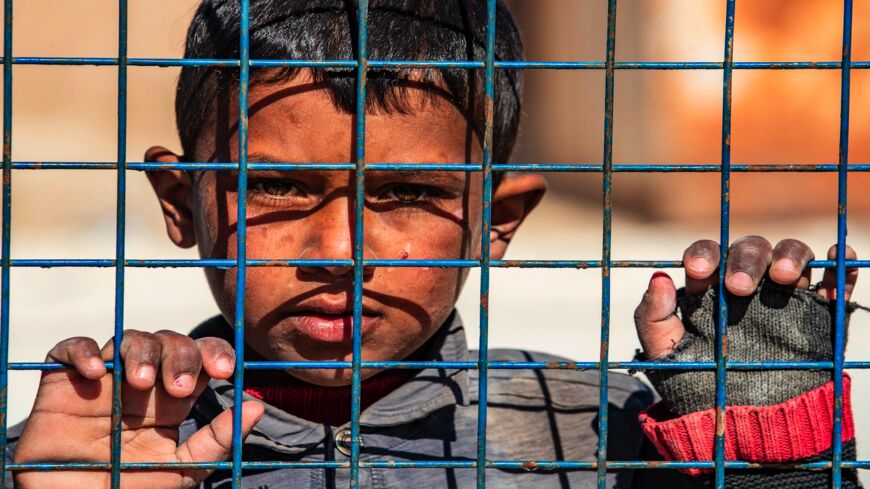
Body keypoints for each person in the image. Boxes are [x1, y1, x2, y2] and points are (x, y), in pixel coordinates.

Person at [6, 1, 863, 487]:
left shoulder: (610, 436)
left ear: (498, 219)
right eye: (276, 187)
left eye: (409, 195)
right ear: (179, 201)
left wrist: (768, 457)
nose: (340, 249)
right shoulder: (80, 447)